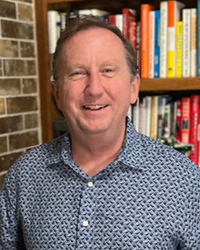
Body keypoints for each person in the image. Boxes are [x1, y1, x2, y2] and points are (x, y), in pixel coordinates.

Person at [0, 17, 199, 250]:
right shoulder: (23, 177)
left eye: (107, 70)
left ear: (133, 88)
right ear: (57, 93)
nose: (94, 89)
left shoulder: (184, 181)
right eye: (77, 73)